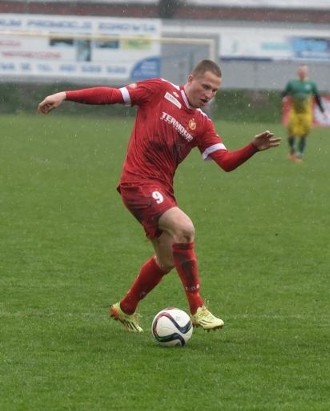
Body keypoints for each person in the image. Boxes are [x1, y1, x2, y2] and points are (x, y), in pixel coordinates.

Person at [37, 59, 281, 333]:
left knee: (166, 260)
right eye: (205, 87)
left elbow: (225, 161)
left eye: (214, 91)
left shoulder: (201, 123)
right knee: (185, 228)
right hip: (137, 183)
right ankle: (198, 308)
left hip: (161, 191)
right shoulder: (158, 90)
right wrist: (65, 95)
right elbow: (112, 95)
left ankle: (125, 308)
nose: (209, 95)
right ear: (190, 79)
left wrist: (252, 147)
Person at [281, 64, 325, 163]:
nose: (302, 72)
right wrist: (283, 96)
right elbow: (284, 93)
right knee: (291, 133)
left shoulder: (311, 84)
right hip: (295, 112)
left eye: (304, 71)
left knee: (304, 134)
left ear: (307, 72)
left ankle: (299, 154)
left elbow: (317, 97)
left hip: (306, 113)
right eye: (301, 71)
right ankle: (292, 150)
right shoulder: (292, 83)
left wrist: (322, 110)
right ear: (298, 72)